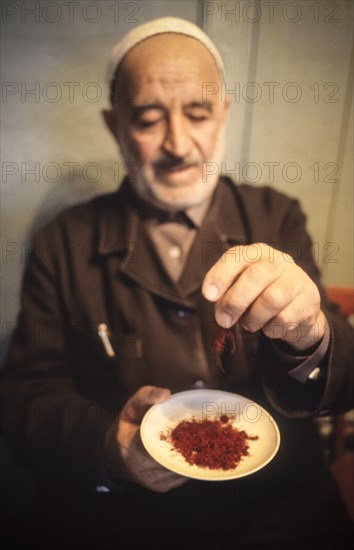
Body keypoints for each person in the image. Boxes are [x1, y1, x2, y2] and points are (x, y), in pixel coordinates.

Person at [1, 17, 353, 550]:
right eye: (146, 118)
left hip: (276, 513)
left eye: (198, 113)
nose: (178, 144)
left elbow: (339, 382)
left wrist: (311, 332)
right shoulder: (62, 240)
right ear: (113, 124)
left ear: (225, 114)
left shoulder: (276, 216)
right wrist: (107, 448)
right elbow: (27, 397)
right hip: (123, 521)